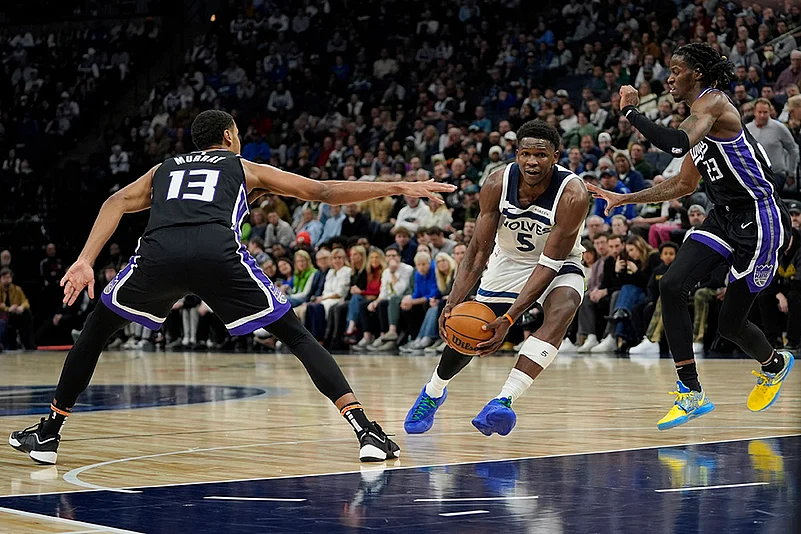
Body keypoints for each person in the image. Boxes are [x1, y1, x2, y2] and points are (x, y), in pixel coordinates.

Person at [9, 110, 454, 465]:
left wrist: (86, 260)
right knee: (296, 335)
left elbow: (115, 202)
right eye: (237, 133)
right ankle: (365, 431)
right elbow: (320, 190)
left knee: (95, 332)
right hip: (217, 255)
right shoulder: (242, 166)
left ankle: (49, 432)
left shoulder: (164, 168)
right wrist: (398, 185)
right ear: (227, 137)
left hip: (159, 255)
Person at [588, 44, 794, 431]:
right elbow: (683, 184)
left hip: (760, 219)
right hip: (722, 217)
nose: (669, 77)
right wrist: (624, 198)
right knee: (672, 285)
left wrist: (631, 111)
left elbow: (675, 143)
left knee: (731, 327)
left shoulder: (713, 104)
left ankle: (775, 364)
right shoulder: (697, 120)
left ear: (697, 74)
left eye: (677, 69)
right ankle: (691, 391)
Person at [404, 121, 587, 436]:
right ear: (516, 154)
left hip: (558, 261)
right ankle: (433, 391)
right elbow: (477, 251)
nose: (532, 161)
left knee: (565, 305)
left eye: (541, 155)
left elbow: (549, 262)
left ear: (555, 156)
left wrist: (512, 317)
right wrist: (453, 301)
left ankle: (503, 401)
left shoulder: (573, 194)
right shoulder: (496, 184)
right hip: (509, 261)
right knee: (471, 326)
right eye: (526, 153)